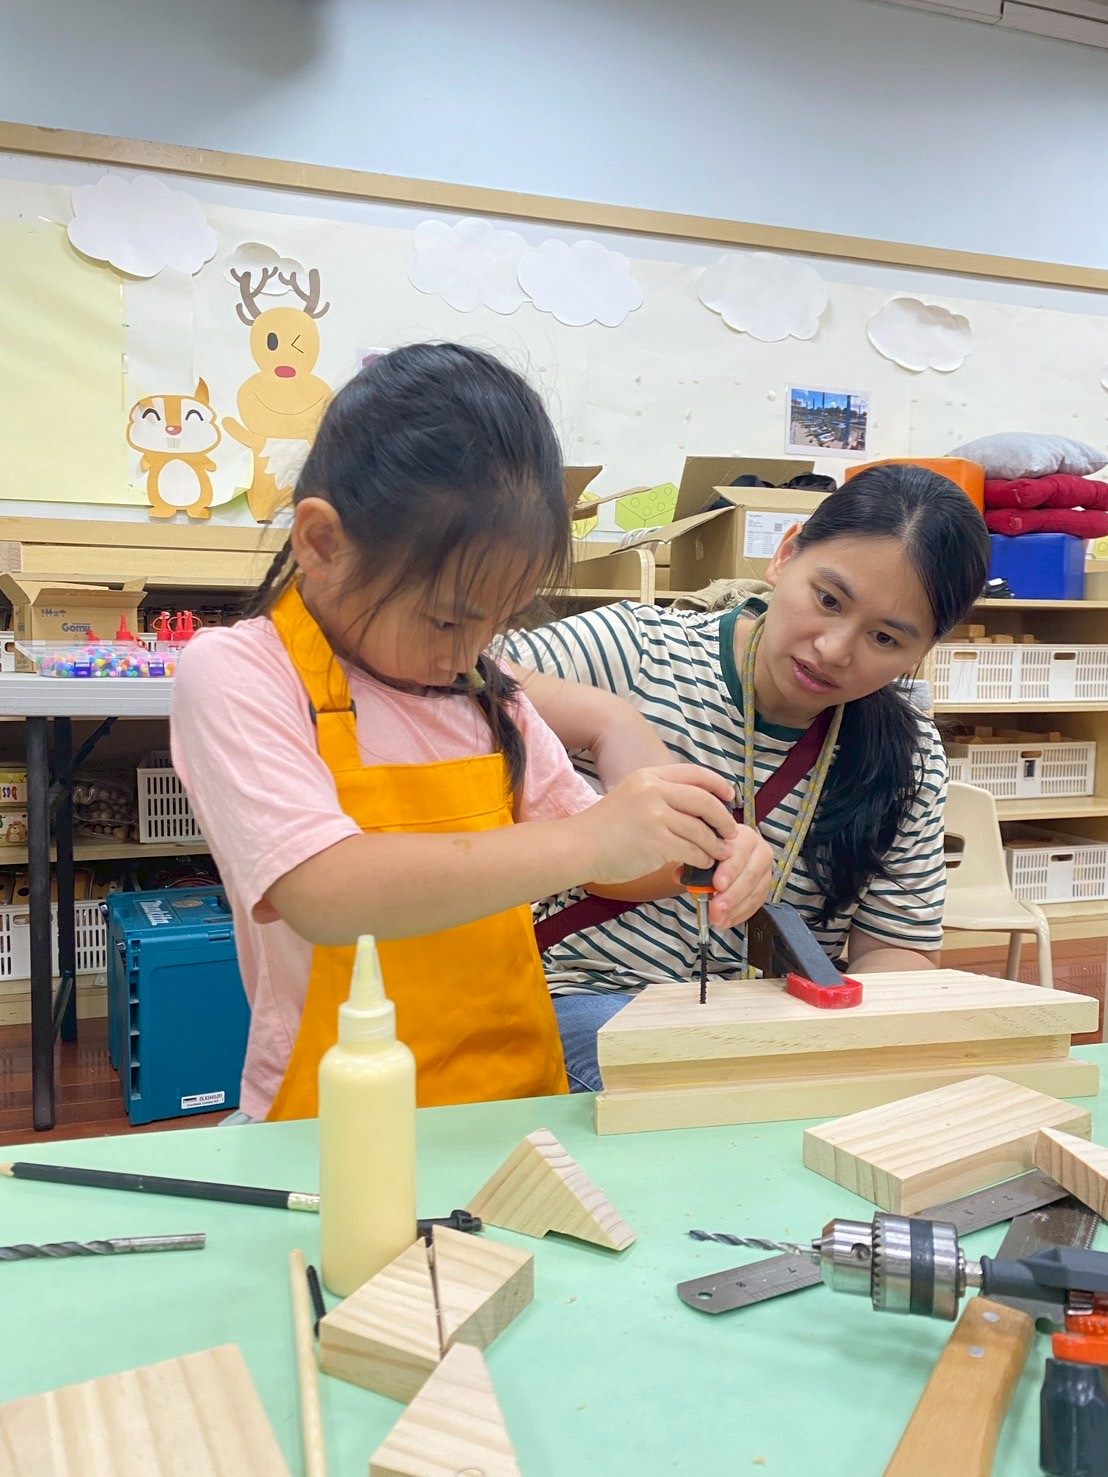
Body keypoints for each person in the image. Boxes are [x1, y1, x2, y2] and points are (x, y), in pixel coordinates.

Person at [170, 343, 771, 1121]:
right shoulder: (241, 673)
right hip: (334, 1119)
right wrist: (591, 839)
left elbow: (608, 862)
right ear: (321, 544)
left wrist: (703, 850)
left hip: (510, 1104)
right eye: (449, 619)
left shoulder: (485, 695)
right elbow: (324, 892)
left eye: (497, 622)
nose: (470, 653)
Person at [506, 464, 991, 1090]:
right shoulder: (637, 652)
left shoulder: (909, 756)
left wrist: (869, 1040)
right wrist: (607, 720)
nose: (834, 649)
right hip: (586, 1000)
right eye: (828, 600)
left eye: (884, 638)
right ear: (785, 555)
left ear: (923, 651)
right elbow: (452, 677)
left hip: (769, 1029)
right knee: (690, 1090)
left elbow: (897, 948)